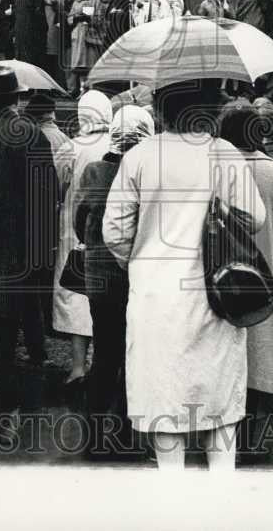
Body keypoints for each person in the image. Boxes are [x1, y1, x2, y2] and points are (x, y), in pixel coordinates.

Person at [103, 80, 266, 470]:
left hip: (155, 297)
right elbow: (255, 217)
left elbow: (115, 230)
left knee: (164, 398)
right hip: (214, 293)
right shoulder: (222, 153)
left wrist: (139, 262)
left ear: (162, 109)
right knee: (218, 402)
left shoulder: (139, 156)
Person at [0, 66, 60, 412]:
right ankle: (12, 393)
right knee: (14, 321)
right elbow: (47, 196)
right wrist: (45, 246)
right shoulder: (33, 135)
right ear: (17, 97)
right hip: (21, 244)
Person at [218, 104, 273, 459]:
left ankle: (219, 439)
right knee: (260, 359)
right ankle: (253, 441)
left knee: (224, 357)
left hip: (218, 280)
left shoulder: (213, 168)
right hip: (265, 277)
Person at [73, 104, 154, 458]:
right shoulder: (147, 172)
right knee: (133, 353)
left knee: (104, 352)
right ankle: (123, 431)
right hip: (136, 274)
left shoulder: (94, 171)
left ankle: (92, 434)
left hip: (98, 274)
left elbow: (80, 219)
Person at [54, 90, 113, 390]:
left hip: (75, 226)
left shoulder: (71, 148)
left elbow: (57, 182)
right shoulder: (117, 146)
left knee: (75, 294)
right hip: (111, 229)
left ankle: (78, 366)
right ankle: (103, 364)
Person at [67, 0, 100, 97]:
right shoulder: (77, 2)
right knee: (80, 66)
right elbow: (69, 19)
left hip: (90, 36)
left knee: (90, 64)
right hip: (78, 36)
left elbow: (101, 19)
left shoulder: (97, 2)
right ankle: (82, 90)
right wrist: (76, 18)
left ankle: (89, 91)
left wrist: (92, 20)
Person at [14, 0, 48, 68]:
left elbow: (15, 12)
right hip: (34, 35)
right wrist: (45, 29)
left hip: (20, 34)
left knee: (22, 63)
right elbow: (40, 17)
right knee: (34, 63)